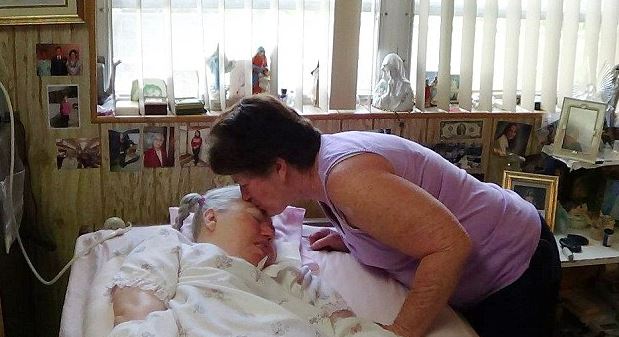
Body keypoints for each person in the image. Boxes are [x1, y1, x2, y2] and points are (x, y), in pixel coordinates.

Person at [207, 94, 561, 337]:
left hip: (518, 264)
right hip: (493, 265)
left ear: (279, 167)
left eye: (243, 181)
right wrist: (356, 240)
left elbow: (450, 245)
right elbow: (394, 210)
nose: (245, 195)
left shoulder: (348, 180)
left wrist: (402, 331)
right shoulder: (323, 169)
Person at [108, 185, 396, 337]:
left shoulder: (291, 277)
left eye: (272, 225)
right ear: (211, 217)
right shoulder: (177, 250)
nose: (270, 232)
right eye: (257, 218)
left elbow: (349, 328)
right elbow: (136, 312)